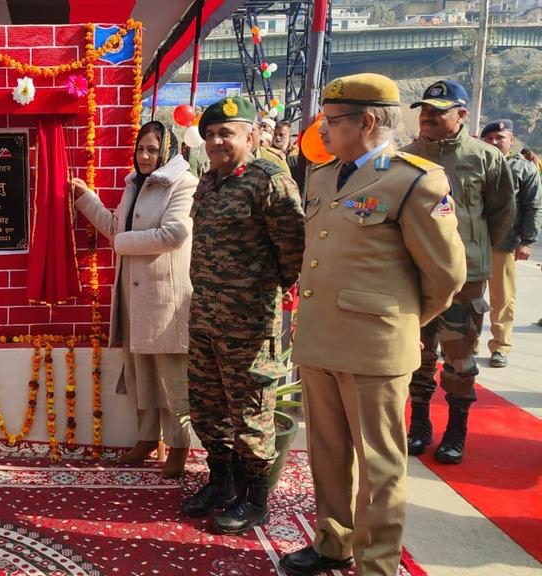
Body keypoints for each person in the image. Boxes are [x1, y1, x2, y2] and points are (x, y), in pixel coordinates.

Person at [282, 73, 466, 576]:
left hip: (375, 347)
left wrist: (400, 321)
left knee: (380, 464)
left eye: (332, 120)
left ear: (367, 122)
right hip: (320, 339)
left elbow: (445, 274)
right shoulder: (322, 176)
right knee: (328, 452)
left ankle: (378, 563)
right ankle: (332, 541)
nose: (322, 130)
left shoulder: (413, 179)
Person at [181, 96, 305, 534]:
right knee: (206, 407)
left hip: (249, 324)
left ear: (250, 136)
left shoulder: (269, 182)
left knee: (251, 411)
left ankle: (254, 499)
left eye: (226, 133)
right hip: (205, 315)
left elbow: (294, 254)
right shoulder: (208, 181)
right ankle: (221, 481)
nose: (216, 141)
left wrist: (259, 297)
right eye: (211, 133)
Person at [70, 121, 197, 479]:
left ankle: (179, 446)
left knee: (172, 378)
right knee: (141, 373)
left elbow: (174, 233)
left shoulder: (183, 184)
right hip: (133, 294)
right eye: (141, 148)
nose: (144, 156)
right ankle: (146, 439)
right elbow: (116, 228)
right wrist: (85, 198)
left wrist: (122, 243)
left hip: (165, 298)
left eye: (153, 150)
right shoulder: (134, 184)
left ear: (167, 151)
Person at [401, 79, 515, 464]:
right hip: (414, 274)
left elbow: (500, 215)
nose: (429, 117)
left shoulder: (485, 158)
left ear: (462, 115)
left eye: (439, 111)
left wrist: (472, 251)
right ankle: (418, 424)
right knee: (415, 355)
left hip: (465, 280)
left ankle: (456, 429)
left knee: (459, 357)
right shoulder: (405, 157)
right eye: (425, 111)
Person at [479, 119, 541, 367]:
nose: (493, 142)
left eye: (499, 137)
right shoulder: (475, 163)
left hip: (503, 244)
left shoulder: (524, 169)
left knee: (502, 299)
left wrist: (527, 241)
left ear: (511, 140)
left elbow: (534, 206)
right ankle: (466, 342)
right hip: (472, 241)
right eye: (489, 138)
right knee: (466, 296)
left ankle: (500, 346)